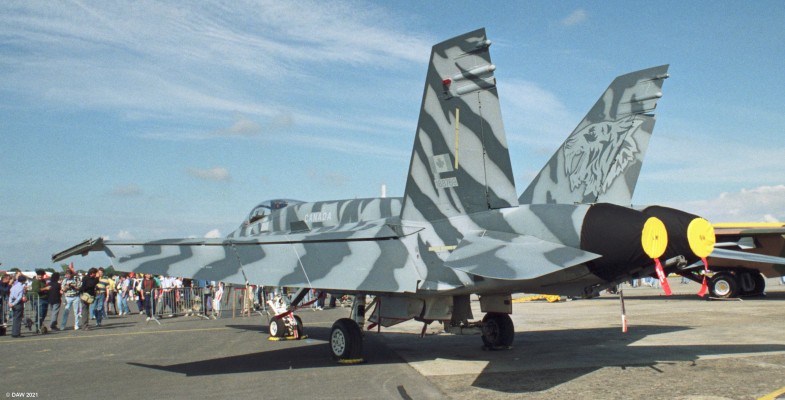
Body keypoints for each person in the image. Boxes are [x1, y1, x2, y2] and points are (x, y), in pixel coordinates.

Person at [31, 269, 50, 333]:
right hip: (39, 299)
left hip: (45, 298)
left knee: (44, 314)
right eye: (39, 276)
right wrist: (46, 288)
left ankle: (40, 325)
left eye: (41, 276)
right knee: (40, 314)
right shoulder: (36, 281)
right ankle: (38, 326)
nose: (40, 277)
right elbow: (36, 290)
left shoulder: (43, 281)